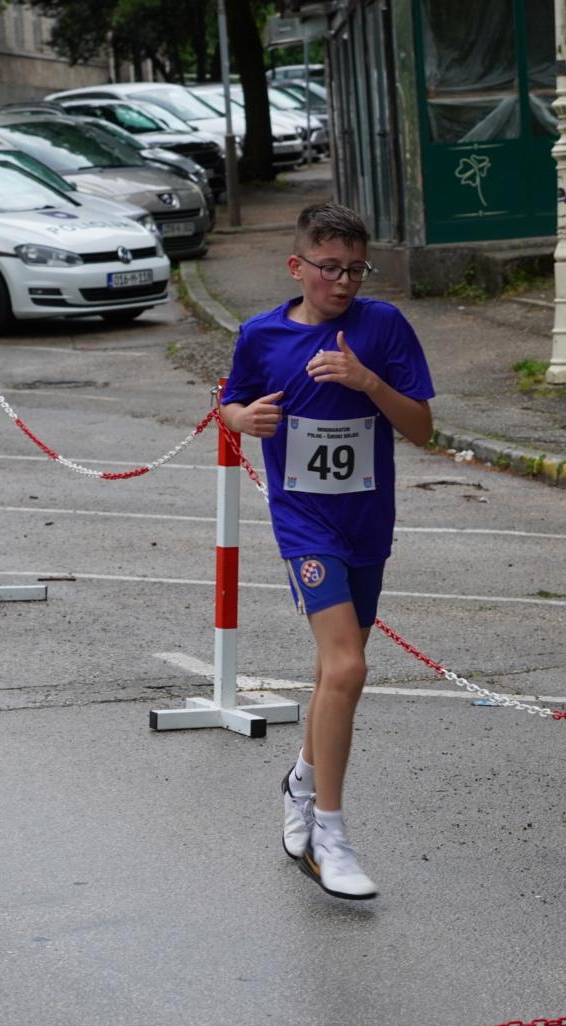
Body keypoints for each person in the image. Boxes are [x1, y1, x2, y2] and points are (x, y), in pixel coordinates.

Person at [220, 203, 434, 901]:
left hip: (366, 521)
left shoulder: (383, 327)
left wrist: (367, 382)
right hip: (305, 523)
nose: (343, 283)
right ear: (297, 266)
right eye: (330, 269)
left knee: (332, 674)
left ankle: (300, 782)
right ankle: (330, 838)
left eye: (355, 270)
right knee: (347, 665)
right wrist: (244, 418)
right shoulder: (262, 335)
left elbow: (423, 429)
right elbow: (230, 403)